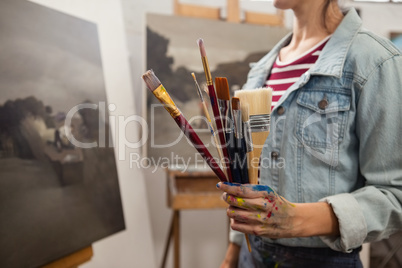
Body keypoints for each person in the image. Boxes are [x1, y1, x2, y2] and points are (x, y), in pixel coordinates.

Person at [217, 0, 402, 267]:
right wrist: (232, 254)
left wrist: (295, 219)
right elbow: (248, 179)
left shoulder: (375, 62)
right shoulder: (260, 71)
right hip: (251, 255)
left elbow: (394, 193)